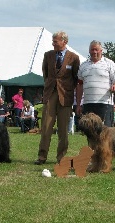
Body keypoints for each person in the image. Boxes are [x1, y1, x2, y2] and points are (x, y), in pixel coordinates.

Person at [34, 31, 80, 165]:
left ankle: (61, 158)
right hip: (50, 94)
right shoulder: (48, 55)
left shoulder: (74, 58)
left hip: (66, 96)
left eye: (56, 41)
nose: (53, 43)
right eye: (53, 41)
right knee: (46, 127)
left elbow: (75, 78)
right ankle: (42, 157)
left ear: (64, 41)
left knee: (63, 129)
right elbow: (46, 74)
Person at [76, 40, 115, 127]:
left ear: (101, 51)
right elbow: (79, 85)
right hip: (88, 104)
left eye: (96, 49)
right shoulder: (83, 66)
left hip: (105, 103)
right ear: (89, 51)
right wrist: (78, 104)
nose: (94, 52)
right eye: (92, 50)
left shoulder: (109, 63)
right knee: (90, 132)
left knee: (106, 133)